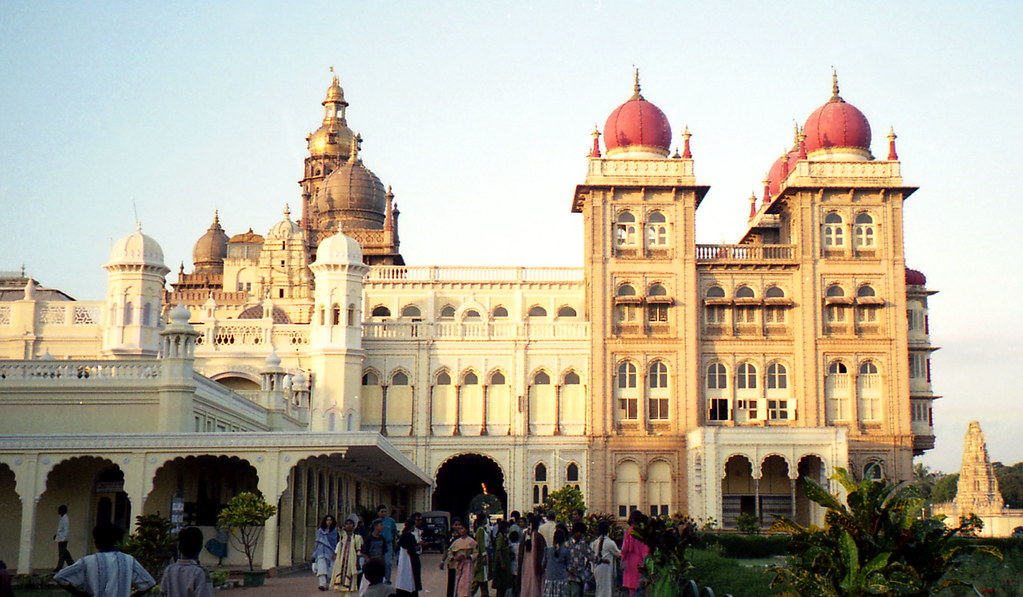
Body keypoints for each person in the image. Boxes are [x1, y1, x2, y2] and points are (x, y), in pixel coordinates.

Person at [54, 522, 156, 597]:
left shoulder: (87, 562)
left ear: (96, 542)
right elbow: (149, 583)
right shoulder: (128, 560)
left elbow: (59, 577)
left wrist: (79, 594)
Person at [160, 526, 213, 597]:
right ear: (200, 547)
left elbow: (163, 592)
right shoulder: (200, 572)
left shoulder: (169, 570)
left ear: (179, 548)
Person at [330, 516, 363, 596]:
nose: (348, 526)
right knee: (340, 584)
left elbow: (358, 551)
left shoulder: (357, 538)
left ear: (354, 526)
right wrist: (339, 518)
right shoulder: (343, 536)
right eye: (347, 524)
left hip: (351, 561)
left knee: (349, 584)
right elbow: (340, 528)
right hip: (341, 561)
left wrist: (357, 563)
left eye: (350, 524)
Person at [444, 519, 477, 597]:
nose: (461, 530)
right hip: (458, 564)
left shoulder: (471, 541)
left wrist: (469, 556)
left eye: (462, 528)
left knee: (466, 582)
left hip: (467, 564)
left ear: (466, 530)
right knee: (458, 582)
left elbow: (476, 553)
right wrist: (454, 558)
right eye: (460, 529)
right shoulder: (456, 542)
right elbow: (450, 552)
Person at [620, 512, 648, 597]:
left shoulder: (629, 531)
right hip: (641, 562)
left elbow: (625, 548)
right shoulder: (644, 531)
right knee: (641, 587)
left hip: (630, 562)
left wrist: (621, 560)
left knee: (631, 589)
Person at [588, 521, 619, 597]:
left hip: (597, 568)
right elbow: (618, 554)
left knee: (599, 589)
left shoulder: (594, 543)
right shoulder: (610, 543)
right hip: (606, 569)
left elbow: (591, 558)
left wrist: (592, 570)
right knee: (606, 590)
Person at [518, 515, 546, 597]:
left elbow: (520, 551)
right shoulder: (538, 537)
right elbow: (543, 551)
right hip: (535, 564)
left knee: (526, 580)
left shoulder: (525, 535)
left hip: (525, 564)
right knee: (535, 582)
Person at [394, 518, 422, 597]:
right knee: (411, 578)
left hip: (403, 560)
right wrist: (418, 546)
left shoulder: (402, 536)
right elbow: (412, 549)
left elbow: (397, 548)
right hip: (410, 560)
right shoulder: (410, 536)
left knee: (402, 577)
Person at [313, 515, 340, 591]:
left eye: (330, 520)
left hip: (331, 552)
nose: (329, 521)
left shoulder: (334, 532)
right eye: (327, 520)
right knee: (321, 567)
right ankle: (322, 584)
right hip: (321, 551)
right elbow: (317, 542)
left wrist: (336, 552)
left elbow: (336, 543)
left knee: (330, 569)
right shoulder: (320, 531)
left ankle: (327, 584)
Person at [541, 529, 571, 597]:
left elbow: (543, 565)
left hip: (550, 579)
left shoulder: (547, 550)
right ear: (563, 540)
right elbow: (567, 565)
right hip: (561, 579)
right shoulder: (566, 551)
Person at [565, 523, 592, 597]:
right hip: (571, 576)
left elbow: (591, 555)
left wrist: (601, 560)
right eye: (580, 533)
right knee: (575, 593)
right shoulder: (567, 545)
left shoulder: (583, 544)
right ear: (575, 532)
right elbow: (563, 559)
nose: (582, 535)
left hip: (581, 575)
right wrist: (568, 568)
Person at [373, 506, 398, 581]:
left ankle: (387, 579)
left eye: (385, 511)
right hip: (378, 544)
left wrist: (394, 543)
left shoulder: (390, 521)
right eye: (382, 511)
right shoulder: (375, 522)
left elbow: (394, 532)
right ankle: (379, 579)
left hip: (388, 544)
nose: (383, 513)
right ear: (378, 512)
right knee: (379, 562)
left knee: (388, 562)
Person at [491, 520, 513, 597]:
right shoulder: (500, 536)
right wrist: (502, 563)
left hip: (504, 561)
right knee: (501, 585)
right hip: (500, 563)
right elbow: (498, 549)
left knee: (504, 585)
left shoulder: (504, 536)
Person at [471, 517, 490, 597]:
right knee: (480, 576)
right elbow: (481, 543)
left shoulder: (483, 529)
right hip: (482, 555)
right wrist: (483, 555)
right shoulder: (480, 530)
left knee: (484, 577)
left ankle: (485, 593)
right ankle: (470, 592)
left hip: (484, 553)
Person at [54, 504, 73, 572]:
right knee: (65, 553)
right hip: (60, 538)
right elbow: (60, 529)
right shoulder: (61, 518)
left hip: (63, 539)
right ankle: (71, 564)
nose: (58, 511)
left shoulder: (65, 519)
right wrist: (56, 535)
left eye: (59, 510)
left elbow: (66, 529)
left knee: (62, 554)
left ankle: (59, 567)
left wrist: (64, 538)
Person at [507, 530, 520, 597]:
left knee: (513, 586)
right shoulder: (519, 545)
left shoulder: (509, 547)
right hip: (518, 567)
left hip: (512, 568)